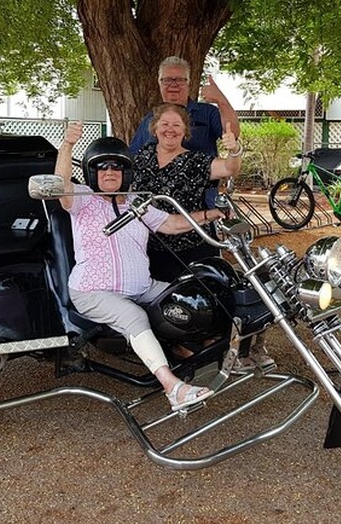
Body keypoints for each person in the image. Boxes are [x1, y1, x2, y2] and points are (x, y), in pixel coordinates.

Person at [55, 121, 223, 411]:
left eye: (116, 167)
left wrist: (210, 214)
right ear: (92, 173)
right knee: (134, 317)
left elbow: (171, 223)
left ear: (127, 172)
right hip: (93, 291)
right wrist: (67, 145)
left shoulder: (137, 203)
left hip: (140, 286)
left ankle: (204, 357)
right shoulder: (82, 200)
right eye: (102, 167)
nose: (110, 172)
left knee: (187, 297)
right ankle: (174, 389)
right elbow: (61, 184)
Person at [132, 103, 274, 371]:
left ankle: (213, 350)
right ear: (154, 128)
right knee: (161, 306)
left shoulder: (195, 160)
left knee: (207, 302)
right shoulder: (141, 157)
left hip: (190, 245)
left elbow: (228, 169)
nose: (170, 130)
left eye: (176, 125)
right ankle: (168, 350)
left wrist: (234, 150)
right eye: (164, 124)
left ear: (185, 130)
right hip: (149, 247)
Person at [129, 55, 240, 208]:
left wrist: (221, 100)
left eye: (180, 80)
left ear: (189, 83)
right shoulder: (149, 119)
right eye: (167, 80)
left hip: (200, 203)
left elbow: (232, 135)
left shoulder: (207, 113)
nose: (173, 84)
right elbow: (132, 159)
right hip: (155, 207)